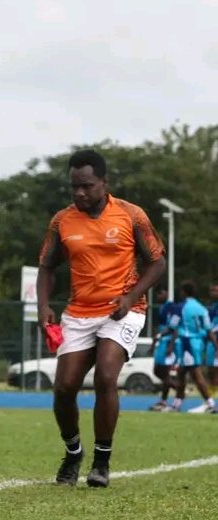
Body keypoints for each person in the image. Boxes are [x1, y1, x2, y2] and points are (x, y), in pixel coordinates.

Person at [36, 149, 165, 488]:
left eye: (87, 186)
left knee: (107, 377)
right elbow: (47, 267)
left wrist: (131, 297)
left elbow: (157, 262)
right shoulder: (61, 221)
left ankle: (101, 462)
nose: (79, 193)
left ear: (104, 183)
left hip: (123, 311)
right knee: (64, 388)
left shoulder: (131, 215)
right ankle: (73, 452)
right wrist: (43, 305)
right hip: (79, 312)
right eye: (74, 187)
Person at [169, 282, 215, 414]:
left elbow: (172, 326)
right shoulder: (202, 308)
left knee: (196, 374)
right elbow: (208, 330)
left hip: (187, 343)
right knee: (181, 373)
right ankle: (177, 404)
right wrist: (216, 345)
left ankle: (210, 404)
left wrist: (163, 338)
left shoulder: (181, 307)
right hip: (198, 343)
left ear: (184, 292)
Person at [148, 287, 181, 412]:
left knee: (163, 372)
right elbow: (161, 328)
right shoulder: (162, 307)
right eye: (157, 294)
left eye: (160, 293)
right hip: (162, 342)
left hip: (169, 343)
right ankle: (172, 393)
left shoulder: (172, 307)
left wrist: (171, 345)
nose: (158, 296)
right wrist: (154, 343)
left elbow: (175, 327)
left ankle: (176, 393)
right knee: (158, 371)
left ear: (166, 293)